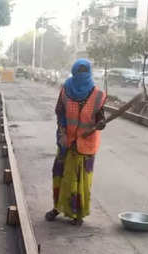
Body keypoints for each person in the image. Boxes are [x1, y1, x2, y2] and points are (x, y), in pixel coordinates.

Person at [45, 59, 107, 226]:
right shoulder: (66, 90)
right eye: (79, 71)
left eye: (84, 71)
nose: (81, 75)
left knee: (81, 181)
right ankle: (57, 208)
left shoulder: (98, 94)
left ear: (89, 72)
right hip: (66, 142)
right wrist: (63, 132)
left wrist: (101, 123)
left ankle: (77, 214)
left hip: (86, 146)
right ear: (73, 72)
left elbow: (101, 117)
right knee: (60, 175)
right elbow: (59, 112)